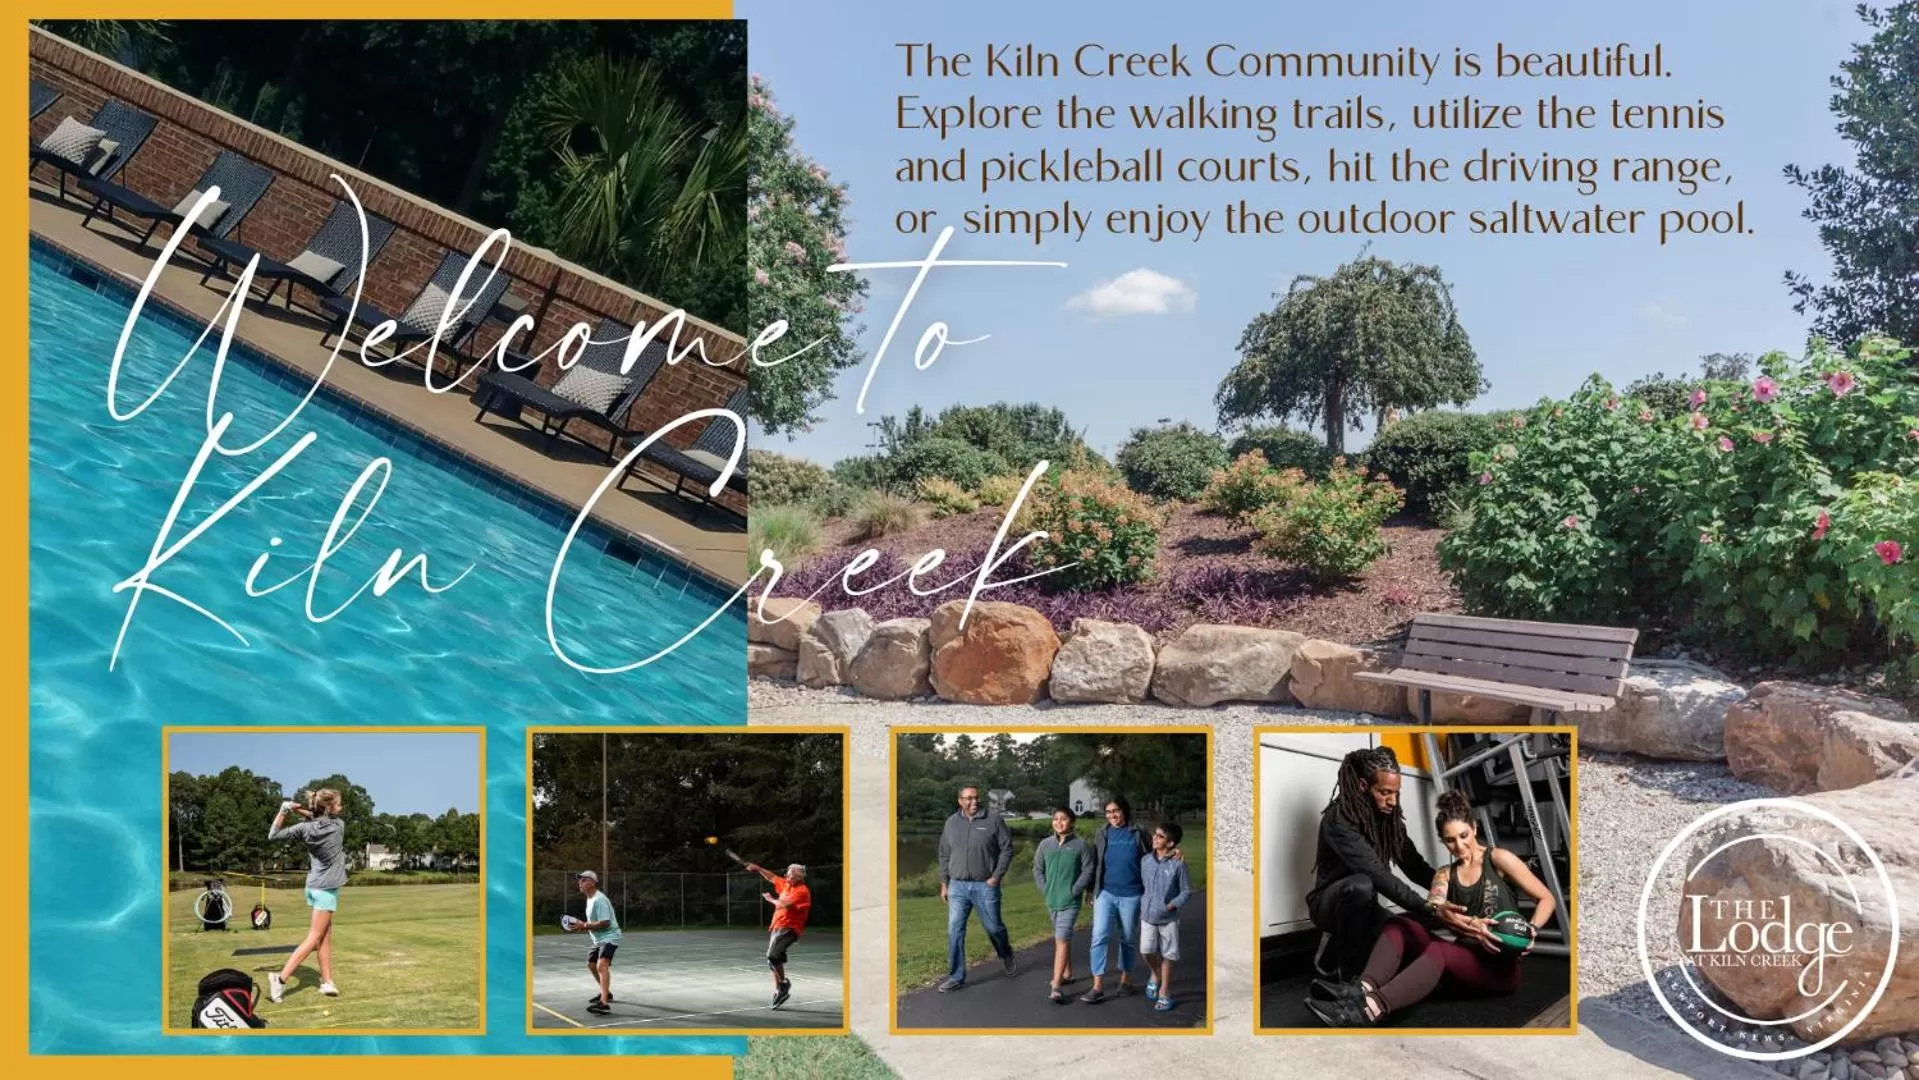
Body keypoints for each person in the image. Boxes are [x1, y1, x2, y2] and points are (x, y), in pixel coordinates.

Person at [1308, 790, 1556, 1027]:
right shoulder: (1444, 875)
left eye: (1463, 835)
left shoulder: (1498, 859)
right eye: (1450, 840)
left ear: (1475, 829)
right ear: (1443, 841)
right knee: (1400, 922)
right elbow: (1435, 905)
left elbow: (1546, 898)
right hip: (1462, 961)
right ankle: (1360, 990)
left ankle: (1369, 1010)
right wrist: (1471, 925)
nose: (1458, 846)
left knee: (1439, 949)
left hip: (1499, 970)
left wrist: (1531, 929)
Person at [1304, 747, 1476, 981]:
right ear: (1364, 786)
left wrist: (1457, 888)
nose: (1393, 801)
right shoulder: (1339, 820)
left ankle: (1350, 947)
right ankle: (1344, 970)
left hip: (1366, 907)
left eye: (1396, 792)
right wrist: (1432, 907)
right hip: (1330, 904)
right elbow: (1377, 875)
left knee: (1408, 941)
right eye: (1385, 792)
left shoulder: (1389, 819)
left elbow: (1414, 866)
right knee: (1361, 885)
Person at [266, 789, 347, 1004]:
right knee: (313, 939)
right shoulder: (338, 826)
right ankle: (280, 979)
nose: (341, 808)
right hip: (326, 890)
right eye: (338, 805)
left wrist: (285, 811)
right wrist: (300, 809)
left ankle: (327, 981)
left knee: (325, 937)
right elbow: (317, 816)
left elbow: (273, 835)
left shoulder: (305, 828)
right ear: (329, 808)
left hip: (313, 886)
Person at [935, 785, 1016, 992]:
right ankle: (956, 976)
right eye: (968, 798)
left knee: (994, 928)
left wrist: (996, 876)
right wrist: (945, 882)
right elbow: (944, 854)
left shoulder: (993, 820)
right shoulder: (951, 823)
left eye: (976, 798)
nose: (974, 802)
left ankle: (1006, 953)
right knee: (955, 931)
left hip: (985, 886)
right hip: (957, 886)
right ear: (959, 800)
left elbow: (1007, 849)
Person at [1080, 796, 1149, 1003]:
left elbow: (1153, 856)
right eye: (1109, 812)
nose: (1112, 816)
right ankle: (1097, 985)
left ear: (1125, 811)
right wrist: (1091, 890)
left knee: (1127, 938)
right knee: (1099, 935)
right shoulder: (1102, 833)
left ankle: (1126, 980)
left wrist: (1174, 854)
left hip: (1132, 894)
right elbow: (1095, 863)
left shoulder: (1138, 832)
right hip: (1106, 893)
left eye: (1116, 811)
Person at [1031, 806, 1094, 1004]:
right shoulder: (1045, 845)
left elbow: (1088, 870)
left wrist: (1074, 891)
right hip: (1052, 899)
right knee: (1061, 937)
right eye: (1056, 819)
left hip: (1070, 900)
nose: (1059, 822)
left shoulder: (1081, 845)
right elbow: (1037, 869)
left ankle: (1056, 985)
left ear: (1072, 822)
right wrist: (1045, 890)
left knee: (1062, 938)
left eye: (1064, 819)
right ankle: (1068, 973)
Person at [1139, 821, 1193, 1013]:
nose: (1154, 837)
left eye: (1160, 836)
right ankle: (1155, 974)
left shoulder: (1177, 864)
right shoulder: (1146, 861)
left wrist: (1171, 905)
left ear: (1170, 844)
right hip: (1147, 914)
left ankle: (1164, 991)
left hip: (1168, 918)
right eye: (1155, 834)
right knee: (1146, 950)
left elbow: (1186, 891)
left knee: (1168, 954)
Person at [744, 860, 812, 1009]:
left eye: (791, 875)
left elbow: (783, 904)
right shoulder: (786, 884)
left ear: (799, 878)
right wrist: (759, 868)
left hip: (790, 928)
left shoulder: (802, 891)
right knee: (774, 961)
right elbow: (772, 877)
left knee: (773, 956)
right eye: (787, 874)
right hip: (777, 927)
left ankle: (784, 984)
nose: (787, 877)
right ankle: (779, 990)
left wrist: (770, 899)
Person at [563, 869, 621, 1015]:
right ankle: (606, 993)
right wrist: (582, 925)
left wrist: (584, 925)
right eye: (579, 880)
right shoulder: (590, 899)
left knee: (602, 966)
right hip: (599, 939)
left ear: (593, 883)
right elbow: (593, 922)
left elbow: (605, 922)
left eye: (583, 880)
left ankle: (604, 1003)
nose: (580, 882)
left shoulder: (599, 900)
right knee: (591, 965)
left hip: (610, 936)